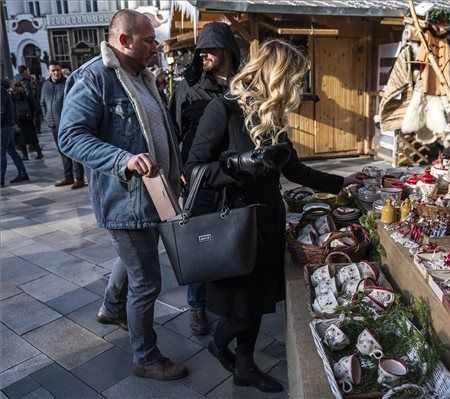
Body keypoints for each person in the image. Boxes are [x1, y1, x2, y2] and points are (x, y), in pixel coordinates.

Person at [185, 39, 363, 393]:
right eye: (294, 78)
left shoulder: (271, 115)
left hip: (267, 220)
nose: (297, 87)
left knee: (256, 304)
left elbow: (293, 168)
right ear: (277, 75)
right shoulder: (224, 109)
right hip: (233, 224)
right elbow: (194, 169)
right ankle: (219, 345)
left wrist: (341, 181)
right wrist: (237, 164)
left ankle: (246, 367)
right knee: (239, 310)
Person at [58, 9, 187, 380]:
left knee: (134, 259)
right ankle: (146, 357)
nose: (155, 45)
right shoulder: (95, 77)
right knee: (147, 281)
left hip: (155, 194)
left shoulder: (142, 76)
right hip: (125, 200)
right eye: (148, 39)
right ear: (124, 40)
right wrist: (124, 159)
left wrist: (175, 168)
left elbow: (160, 129)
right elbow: (70, 137)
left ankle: (112, 307)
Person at [171, 21, 241, 336]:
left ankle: (228, 305)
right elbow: (173, 134)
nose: (204, 55)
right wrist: (180, 173)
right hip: (199, 178)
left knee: (232, 241)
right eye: (201, 50)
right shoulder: (188, 87)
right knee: (200, 243)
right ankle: (197, 307)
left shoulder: (242, 86)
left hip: (234, 177)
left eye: (211, 48)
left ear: (227, 50)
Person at [40, 60, 85, 189]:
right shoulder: (45, 85)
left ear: (61, 70)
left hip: (68, 124)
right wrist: (47, 117)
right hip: (54, 125)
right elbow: (42, 102)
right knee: (62, 151)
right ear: (49, 72)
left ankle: (79, 178)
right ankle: (68, 177)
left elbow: (76, 102)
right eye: (53, 70)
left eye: (58, 70)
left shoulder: (68, 84)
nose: (56, 73)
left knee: (73, 151)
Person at [1, 79, 29, 187]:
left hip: (3, 127)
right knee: (11, 150)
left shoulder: (1, 92)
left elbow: (1, 111)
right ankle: (23, 173)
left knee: (1, 153)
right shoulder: (3, 91)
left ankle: (1, 179)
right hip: (7, 126)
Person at [12, 80, 43, 160]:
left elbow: (13, 108)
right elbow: (34, 106)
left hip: (21, 120)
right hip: (27, 119)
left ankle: (26, 155)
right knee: (31, 138)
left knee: (23, 139)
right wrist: (34, 117)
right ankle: (38, 153)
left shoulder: (14, 95)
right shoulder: (26, 94)